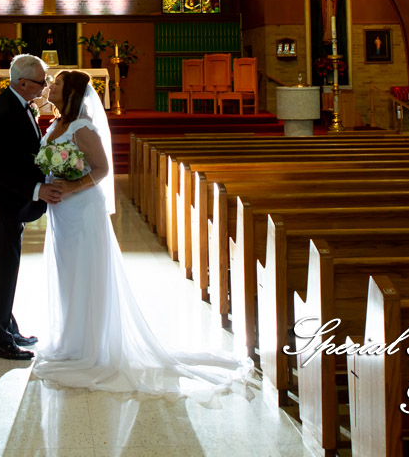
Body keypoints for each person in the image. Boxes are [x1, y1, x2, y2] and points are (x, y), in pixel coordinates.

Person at [30, 70, 251, 399]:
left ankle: (89, 346)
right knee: (68, 273)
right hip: (62, 212)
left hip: (82, 210)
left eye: (57, 83)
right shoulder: (55, 125)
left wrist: (73, 185)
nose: (50, 86)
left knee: (86, 272)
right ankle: (70, 340)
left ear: (72, 93)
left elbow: (102, 169)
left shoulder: (83, 127)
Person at [0, 54, 65, 360]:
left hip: (11, 204)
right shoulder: (4, 112)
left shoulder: (20, 104)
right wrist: (37, 189)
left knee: (9, 267)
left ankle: (7, 325)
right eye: (42, 82)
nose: (46, 86)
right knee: (2, 270)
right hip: (2, 204)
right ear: (24, 83)